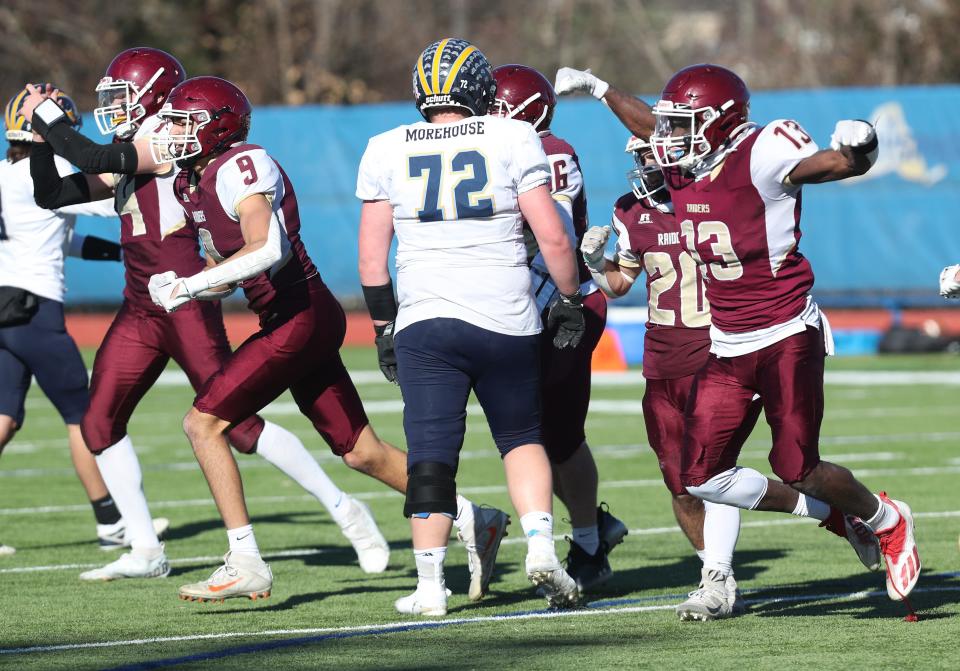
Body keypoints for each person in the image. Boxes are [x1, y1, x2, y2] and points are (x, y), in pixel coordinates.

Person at [22, 48, 396, 583]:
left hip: (185, 305)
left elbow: (95, 159)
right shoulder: (142, 146)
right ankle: (146, 547)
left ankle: (344, 509)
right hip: (140, 307)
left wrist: (49, 118)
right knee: (98, 422)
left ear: (154, 94)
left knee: (233, 426)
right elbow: (53, 192)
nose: (114, 108)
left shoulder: (165, 139)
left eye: (123, 95)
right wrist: (42, 143)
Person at [559, 63, 919, 605]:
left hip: (785, 327)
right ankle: (837, 520)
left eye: (684, 124)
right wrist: (602, 89)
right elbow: (648, 126)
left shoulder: (764, 148)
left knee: (798, 466)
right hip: (727, 340)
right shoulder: (680, 166)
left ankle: (887, 520)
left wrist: (857, 152)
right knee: (700, 475)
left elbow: (828, 166)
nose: (668, 135)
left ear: (721, 121)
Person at [357, 38, 585, 616]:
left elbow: (370, 259)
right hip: (505, 312)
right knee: (521, 436)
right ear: (481, 89)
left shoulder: (384, 147)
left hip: (425, 319)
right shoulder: (512, 136)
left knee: (430, 456)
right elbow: (554, 236)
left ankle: (431, 586)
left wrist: (384, 326)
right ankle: (540, 545)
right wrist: (568, 295)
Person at [580, 135, 758, 619]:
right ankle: (715, 572)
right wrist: (596, 265)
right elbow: (620, 285)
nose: (641, 166)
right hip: (662, 358)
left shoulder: (708, 198)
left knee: (713, 470)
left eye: (647, 155)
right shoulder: (629, 211)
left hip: (719, 349)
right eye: (636, 158)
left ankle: (716, 578)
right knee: (678, 482)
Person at [490, 63, 627, 593]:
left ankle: (591, 541)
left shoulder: (551, 151)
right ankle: (595, 526)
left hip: (566, 303)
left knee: (560, 434)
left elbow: (556, 230)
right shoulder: (496, 146)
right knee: (534, 432)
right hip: (522, 305)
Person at [0, 86, 149, 555]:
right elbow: (113, 197)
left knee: (4, 417)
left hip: (6, 304)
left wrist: (116, 254)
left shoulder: (5, 174)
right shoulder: (39, 174)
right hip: (34, 308)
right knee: (84, 417)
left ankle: (112, 520)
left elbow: (58, 237)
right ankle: (112, 522)